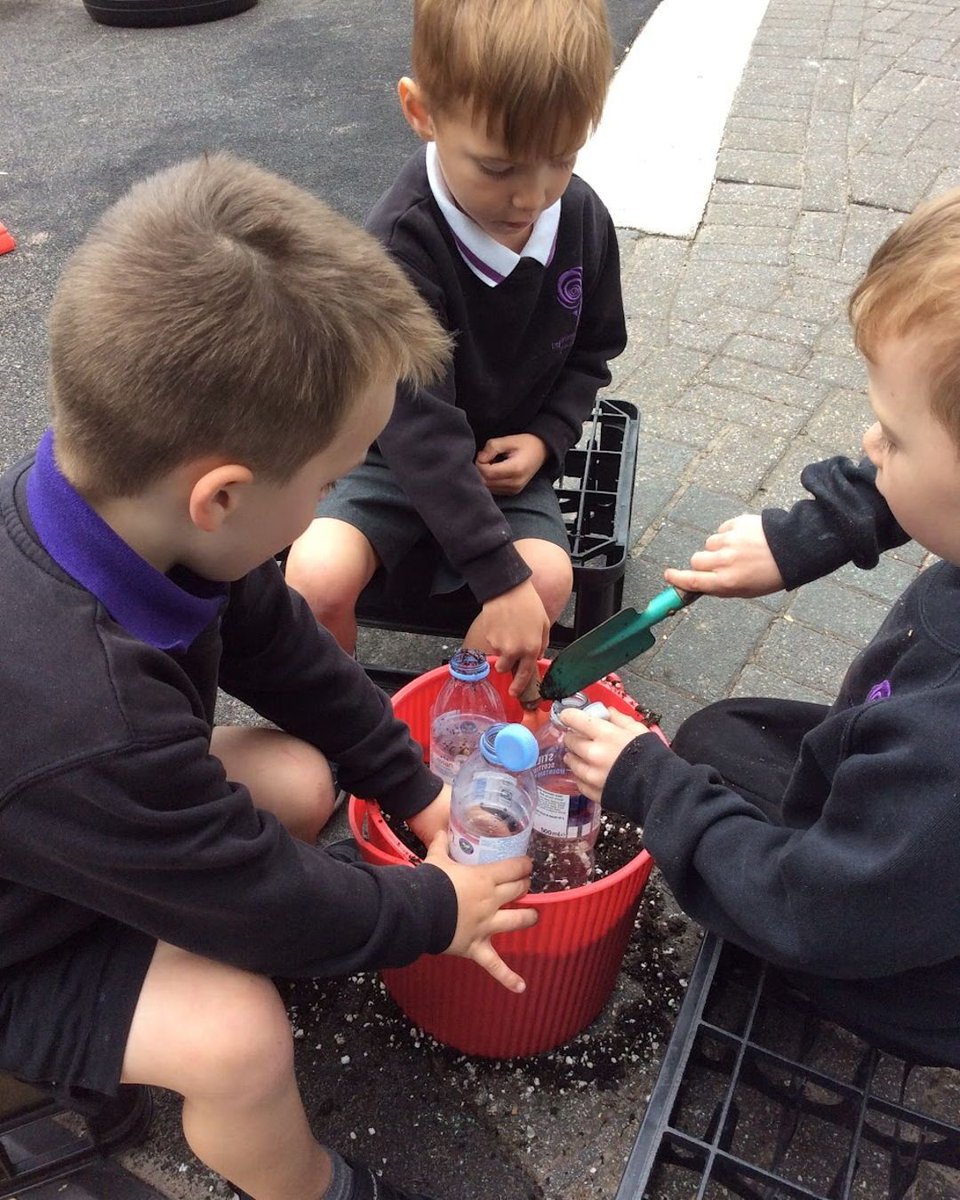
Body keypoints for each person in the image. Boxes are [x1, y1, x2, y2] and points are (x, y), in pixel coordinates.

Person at [0, 151, 537, 1200]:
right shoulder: (85, 712)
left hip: (63, 841)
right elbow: (260, 905)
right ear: (224, 496)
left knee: (297, 780)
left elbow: (279, 641)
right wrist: (434, 909)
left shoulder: (111, 499)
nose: (337, 495)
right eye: (334, 480)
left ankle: (127, 971)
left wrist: (414, 785)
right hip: (16, 943)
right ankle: (316, 1187)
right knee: (241, 1041)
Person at [559, 187, 960, 1067]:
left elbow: (819, 912)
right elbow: (923, 490)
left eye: (892, 435)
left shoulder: (945, 750)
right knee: (719, 738)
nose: (870, 439)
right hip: (909, 845)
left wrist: (648, 785)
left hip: (904, 968)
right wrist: (812, 533)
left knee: (694, 776)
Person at [284, 0, 627, 703]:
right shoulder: (398, 246)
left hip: (505, 457)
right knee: (313, 578)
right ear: (421, 112)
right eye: (497, 166)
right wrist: (495, 575)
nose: (530, 196)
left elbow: (594, 348)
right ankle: (344, 724)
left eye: (561, 159)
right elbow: (416, 428)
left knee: (549, 581)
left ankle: (456, 722)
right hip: (394, 456)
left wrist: (546, 437)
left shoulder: (582, 217)